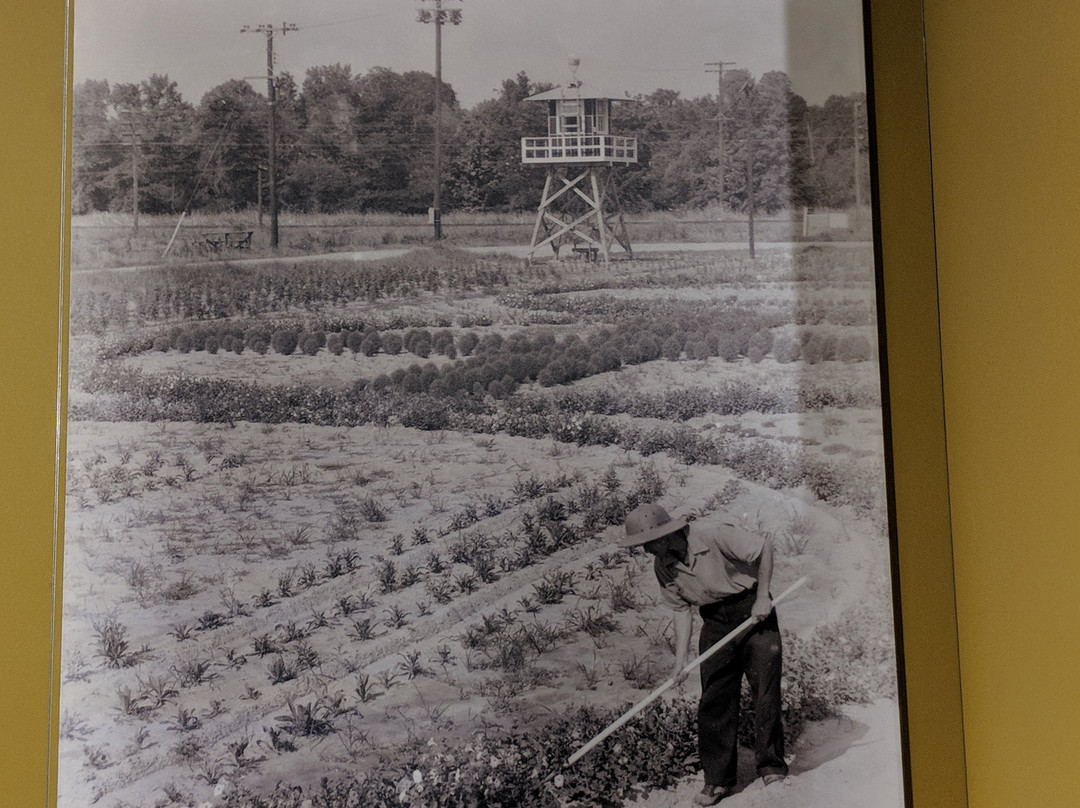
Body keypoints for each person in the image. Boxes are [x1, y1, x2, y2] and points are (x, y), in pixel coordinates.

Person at [618, 502, 788, 806]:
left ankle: (771, 765)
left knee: (765, 689)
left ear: (666, 535)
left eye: (647, 543)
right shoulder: (663, 565)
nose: (645, 551)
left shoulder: (713, 535)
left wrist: (762, 597)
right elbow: (681, 612)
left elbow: (764, 548)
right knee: (715, 696)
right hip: (715, 620)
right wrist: (680, 663)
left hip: (751, 606)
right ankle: (718, 780)